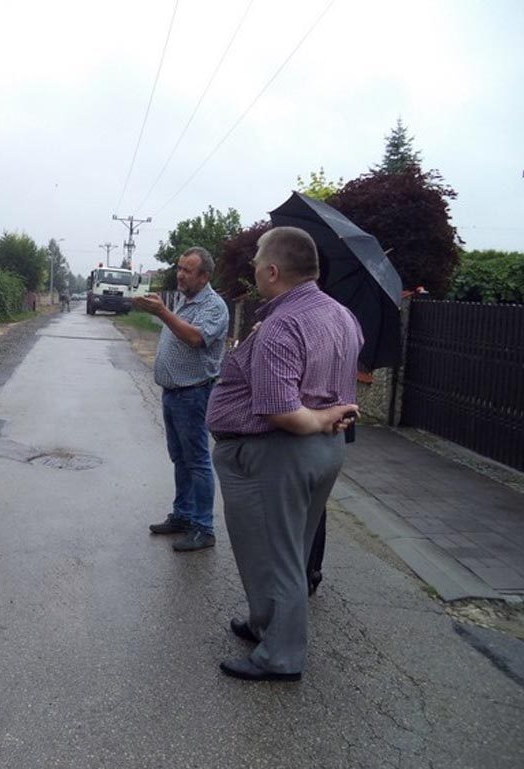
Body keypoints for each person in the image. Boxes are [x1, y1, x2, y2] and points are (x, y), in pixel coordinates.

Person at [206, 226, 361, 682]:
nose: (253, 266)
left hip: (278, 453)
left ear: (272, 271)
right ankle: (264, 625)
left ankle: (281, 655)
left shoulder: (281, 326)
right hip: (322, 454)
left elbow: (282, 412)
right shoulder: (340, 314)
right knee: (288, 547)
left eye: (257, 260)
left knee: (277, 557)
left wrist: (314, 418)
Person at [132, 247, 228, 552]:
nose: (180, 274)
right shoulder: (185, 302)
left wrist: (162, 312)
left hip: (194, 393)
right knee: (180, 458)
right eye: (179, 268)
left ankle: (204, 527)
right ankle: (183, 516)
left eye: (188, 270)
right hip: (174, 393)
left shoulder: (214, 306)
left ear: (205, 276)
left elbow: (195, 338)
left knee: (197, 461)